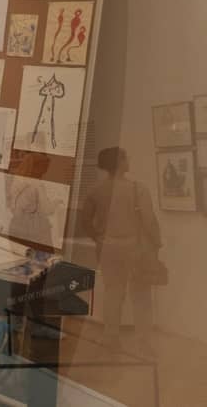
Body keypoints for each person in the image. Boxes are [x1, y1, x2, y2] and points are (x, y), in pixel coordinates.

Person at [80, 147, 161, 356]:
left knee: (113, 294)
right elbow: (149, 221)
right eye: (126, 157)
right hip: (134, 249)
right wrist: (156, 243)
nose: (128, 160)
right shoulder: (138, 189)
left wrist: (98, 237)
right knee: (141, 295)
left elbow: (85, 220)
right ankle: (143, 342)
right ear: (119, 162)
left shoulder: (96, 190)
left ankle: (111, 338)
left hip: (108, 249)